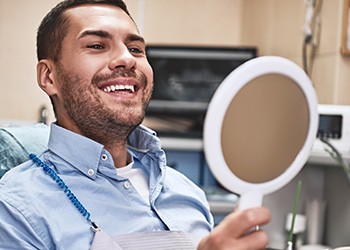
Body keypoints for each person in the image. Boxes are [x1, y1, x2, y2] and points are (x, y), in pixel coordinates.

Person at [0, 0, 271, 249]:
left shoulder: (187, 192)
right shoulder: (16, 209)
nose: (128, 59)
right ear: (49, 76)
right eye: (96, 46)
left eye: (135, 49)